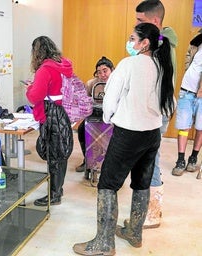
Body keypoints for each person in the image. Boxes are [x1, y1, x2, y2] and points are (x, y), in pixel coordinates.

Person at [73, 23, 174, 255]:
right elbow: (170, 103)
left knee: (108, 183)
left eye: (132, 38)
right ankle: (135, 233)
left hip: (128, 132)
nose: (129, 42)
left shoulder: (128, 64)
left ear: (144, 43)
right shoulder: (162, 65)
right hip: (152, 134)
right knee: (141, 182)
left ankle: (104, 243)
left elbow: (110, 98)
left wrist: (109, 118)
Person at [133, 0, 178, 229]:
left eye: (140, 21)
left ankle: (153, 214)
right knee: (150, 158)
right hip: (157, 110)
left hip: (157, 112)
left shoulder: (162, 45)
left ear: (155, 21)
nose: (136, 25)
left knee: (151, 159)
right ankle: (151, 212)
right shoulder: (163, 42)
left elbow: (157, 84)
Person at [26, 36, 74, 206]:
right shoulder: (64, 65)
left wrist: (30, 88)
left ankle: (54, 195)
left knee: (53, 154)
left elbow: (35, 96)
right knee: (60, 153)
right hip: (63, 111)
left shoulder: (45, 69)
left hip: (51, 113)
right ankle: (57, 189)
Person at [76, 56, 114, 174]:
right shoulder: (92, 83)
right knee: (82, 130)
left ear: (112, 70)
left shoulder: (117, 83)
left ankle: (112, 163)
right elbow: (85, 101)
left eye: (105, 71)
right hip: (95, 115)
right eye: (99, 72)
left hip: (113, 117)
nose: (102, 74)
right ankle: (87, 160)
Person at [171, 32, 202, 176]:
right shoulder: (196, 42)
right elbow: (188, 61)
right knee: (183, 126)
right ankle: (180, 159)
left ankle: (193, 157)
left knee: (200, 128)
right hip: (187, 90)